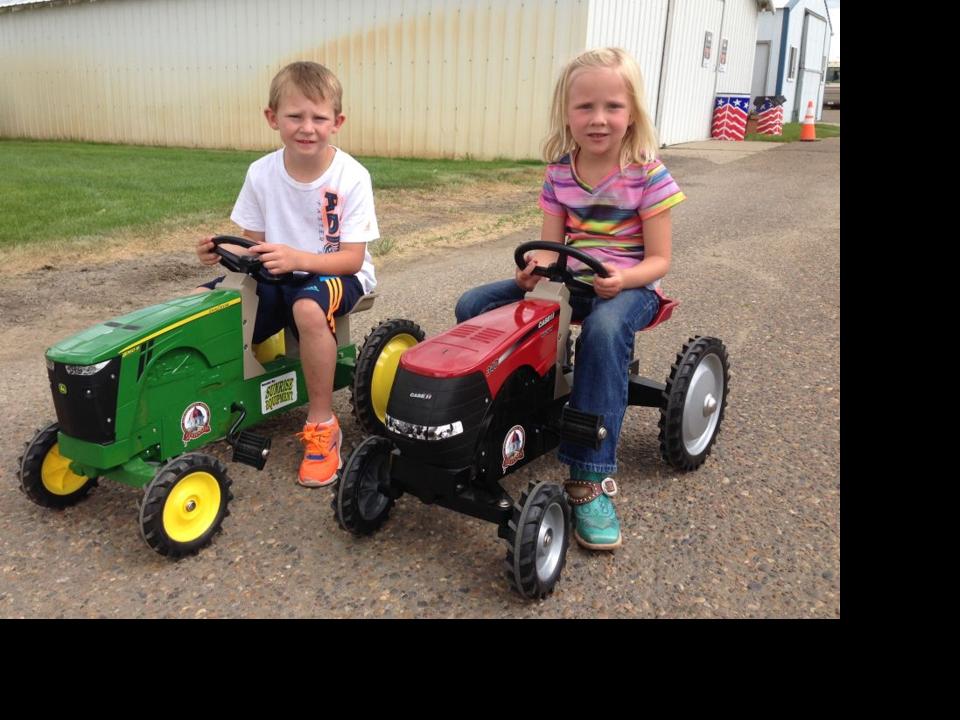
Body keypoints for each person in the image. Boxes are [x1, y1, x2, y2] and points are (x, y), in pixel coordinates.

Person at [455, 48, 685, 550]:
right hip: (571, 282)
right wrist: (532, 270)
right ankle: (500, 422)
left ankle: (589, 477)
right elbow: (550, 247)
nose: (598, 119)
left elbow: (659, 260)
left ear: (632, 112)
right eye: (585, 107)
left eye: (612, 106)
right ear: (567, 113)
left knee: (603, 330)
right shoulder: (561, 172)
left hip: (631, 288)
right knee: (475, 306)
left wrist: (624, 279)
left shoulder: (647, 174)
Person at [196, 61, 380, 488]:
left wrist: (298, 257)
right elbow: (253, 245)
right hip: (278, 272)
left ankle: (322, 425)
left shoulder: (351, 176)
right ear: (272, 117)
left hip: (337, 274)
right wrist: (218, 251)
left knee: (307, 307)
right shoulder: (261, 173)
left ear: (337, 123)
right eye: (295, 116)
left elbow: (352, 259)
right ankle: (201, 404)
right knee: (204, 302)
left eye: (319, 118)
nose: (307, 128)